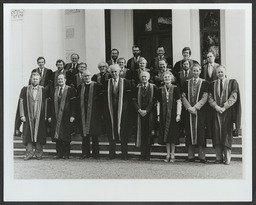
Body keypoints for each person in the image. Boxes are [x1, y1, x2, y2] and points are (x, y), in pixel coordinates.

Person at [208, 65, 241, 165]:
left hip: (228, 113)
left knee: (226, 135)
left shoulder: (232, 82)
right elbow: (210, 98)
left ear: (225, 72)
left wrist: (224, 107)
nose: (220, 74)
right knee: (217, 134)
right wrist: (217, 107)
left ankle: (227, 158)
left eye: (222, 72)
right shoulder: (212, 84)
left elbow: (234, 97)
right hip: (216, 112)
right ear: (216, 74)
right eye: (218, 72)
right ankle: (218, 158)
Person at [14, 72, 47, 160]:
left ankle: (39, 154)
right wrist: (22, 115)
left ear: (39, 80)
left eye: (36, 79)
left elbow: (46, 103)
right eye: (33, 79)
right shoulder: (25, 89)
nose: (35, 80)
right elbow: (21, 102)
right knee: (28, 135)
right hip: (28, 116)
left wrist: (46, 116)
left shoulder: (43, 89)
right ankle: (29, 153)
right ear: (31, 79)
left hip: (39, 116)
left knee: (39, 135)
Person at [103, 64, 132, 160]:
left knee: (123, 132)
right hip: (110, 111)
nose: (114, 73)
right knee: (111, 132)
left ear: (120, 72)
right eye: (112, 72)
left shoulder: (126, 82)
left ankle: (125, 154)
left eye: (116, 71)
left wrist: (125, 109)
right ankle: (112, 153)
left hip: (123, 112)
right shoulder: (106, 83)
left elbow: (129, 98)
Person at [181, 64, 208, 163]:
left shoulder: (204, 83)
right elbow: (183, 96)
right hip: (189, 112)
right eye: (194, 70)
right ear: (191, 71)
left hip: (199, 112)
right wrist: (189, 107)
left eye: (197, 71)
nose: (196, 72)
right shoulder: (186, 83)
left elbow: (205, 97)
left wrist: (196, 107)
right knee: (189, 132)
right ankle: (190, 156)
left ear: (200, 71)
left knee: (200, 132)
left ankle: (202, 156)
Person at [48, 74, 76, 159]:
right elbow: (49, 104)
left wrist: (72, 115)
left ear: (65, 80)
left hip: (66, 116)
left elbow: (73, 104)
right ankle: (59, 153)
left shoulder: (70, 89)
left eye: (62, 79)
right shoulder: (53, 90)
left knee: (66, 135)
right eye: (59, 79)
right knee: (58, 135)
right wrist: (49, 116)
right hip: (55, 115)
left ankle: (66, 154)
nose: (60, 81)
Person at [77, 70, 103, 159]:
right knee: (85, 135)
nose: (87, 78)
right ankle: (85, 153)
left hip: (94, 114)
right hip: (83, 114)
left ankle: (96, 154)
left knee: (94, 135)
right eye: (85, 76)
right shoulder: (80, 87)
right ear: (82, 77)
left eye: (88, 76)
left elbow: (101, 100)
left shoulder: (97, 86)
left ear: (91, 76)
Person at [132, 71, 158, 161]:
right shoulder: (137, 88)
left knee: (148, 134)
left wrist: (146, 110)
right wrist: (139, 110)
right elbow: (134, 100)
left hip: (149, 114)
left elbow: (154, 101)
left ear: (148, 77)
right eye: (142, 77)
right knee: (141, 134)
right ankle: (142, 154)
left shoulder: (153, 87)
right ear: (140, 78)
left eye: (145, 77)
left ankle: (148, 155)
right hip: (139, 114)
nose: (144, 78)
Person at [158, 71, 182, 163]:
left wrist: (178, 114)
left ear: (171, 78)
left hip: (173, 114)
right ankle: (167, 154)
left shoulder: (175, 88)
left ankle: (173, 154)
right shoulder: (160, 89)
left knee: (173, 135)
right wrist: (158, 115)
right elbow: (159, 103)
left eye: (168, 77)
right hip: (164, 115)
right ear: (163, 79)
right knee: (166, 136)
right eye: (165, 77)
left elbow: (179, 102)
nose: (167, 79)